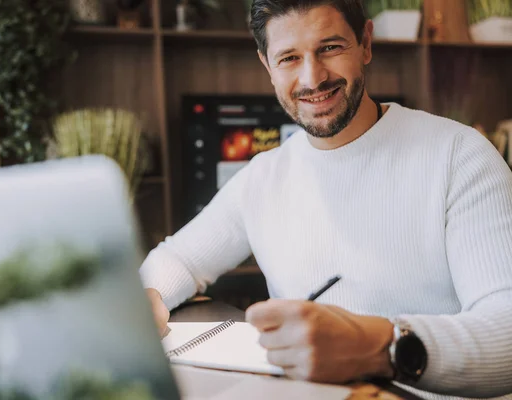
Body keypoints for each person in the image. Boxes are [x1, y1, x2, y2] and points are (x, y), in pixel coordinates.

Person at [139, 1, 512, 399]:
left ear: (365, 43)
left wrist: (378, 346)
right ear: (267, 65)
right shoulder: (263, 177)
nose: (312, 77)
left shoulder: (459, 156)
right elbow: (177, 258)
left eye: (330, 48)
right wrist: (149, 299)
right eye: (289, 57)